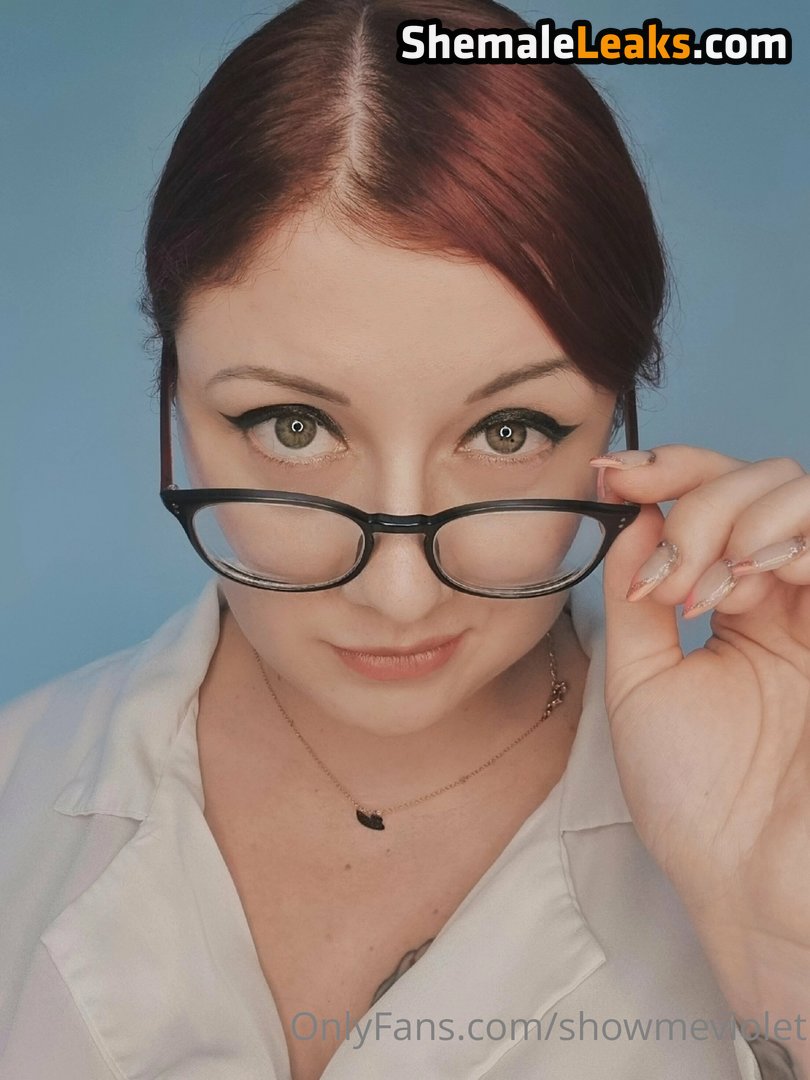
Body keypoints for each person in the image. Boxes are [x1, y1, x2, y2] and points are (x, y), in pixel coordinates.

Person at [1, 1, 807, 1078]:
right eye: (294, 428)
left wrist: (784, 957)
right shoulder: (15, 795)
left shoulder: (775, 816)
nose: (398, 592)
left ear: (618, 421)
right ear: (174, 394)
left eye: (508, 431)